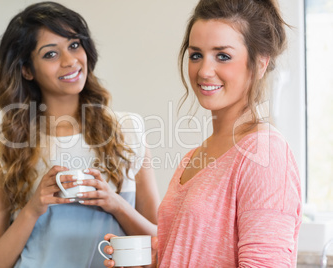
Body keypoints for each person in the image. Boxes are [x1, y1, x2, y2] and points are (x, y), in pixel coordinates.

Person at [103, 0, 302, 267]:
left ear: (260, 63)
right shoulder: (193, 157)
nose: (204, 71)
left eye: (223, 56)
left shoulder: (264, 154)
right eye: (196, 55)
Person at [0, 2, 159, 267]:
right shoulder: (3, 141)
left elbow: (160, 242)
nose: (70, 60)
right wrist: (33, 209)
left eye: (74, 45)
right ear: (27, 70)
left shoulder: (129, 130)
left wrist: (115, 203)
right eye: (50, 54)